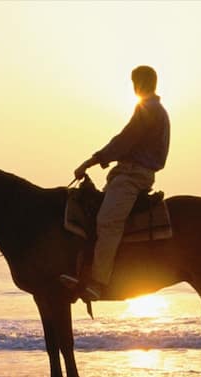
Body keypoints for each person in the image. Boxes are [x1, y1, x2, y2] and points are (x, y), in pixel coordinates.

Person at [62, 65, 171, 301]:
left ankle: (98, 283)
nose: (134, 88)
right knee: (94, 214)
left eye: (135, 83)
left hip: (132, 176)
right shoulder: (154, 109)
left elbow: (124, 141)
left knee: (107, 222)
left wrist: (91, 161)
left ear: (140, 83)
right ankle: (84, 271)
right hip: (126, 174)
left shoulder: (149, 109)